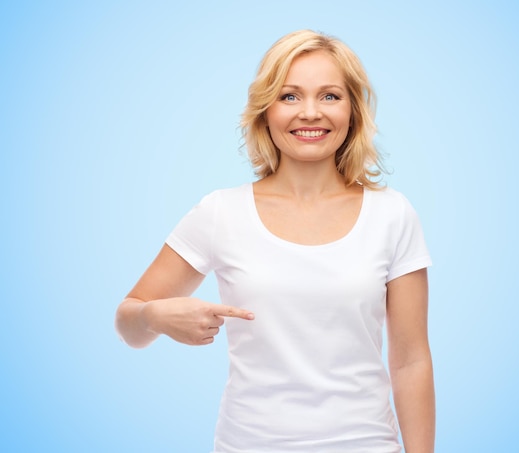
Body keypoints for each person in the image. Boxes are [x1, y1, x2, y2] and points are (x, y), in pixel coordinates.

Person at [115, 29, 435, 453]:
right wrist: (155, 316)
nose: (309, 112)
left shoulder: (392, 214)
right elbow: (129, 322)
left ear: (353, 112)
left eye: (330, 96)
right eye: (289, 96)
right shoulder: (220, 213)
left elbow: (411, 361)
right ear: (265, 111)